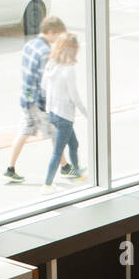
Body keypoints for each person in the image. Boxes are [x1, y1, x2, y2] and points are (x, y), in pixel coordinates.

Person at [4, 16, 67, 184]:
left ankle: (10, 168)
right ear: (52, 32)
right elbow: (43, 80)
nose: (57, 40)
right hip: (39, 101)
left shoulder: (29, 45)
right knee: (54, 132)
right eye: (58, 36)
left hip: (26, 97)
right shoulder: (45, 51)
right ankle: (65, 167)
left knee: (24, 132)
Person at [40, 33, 88, 191]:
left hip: (52, 113)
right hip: (65, 116)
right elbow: (74, 96)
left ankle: (77, 172)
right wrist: (87, 113)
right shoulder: (69, 69)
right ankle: (47, 184)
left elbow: (45, 87)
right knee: (58, 152)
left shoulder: (52, 64)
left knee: (74, 143)